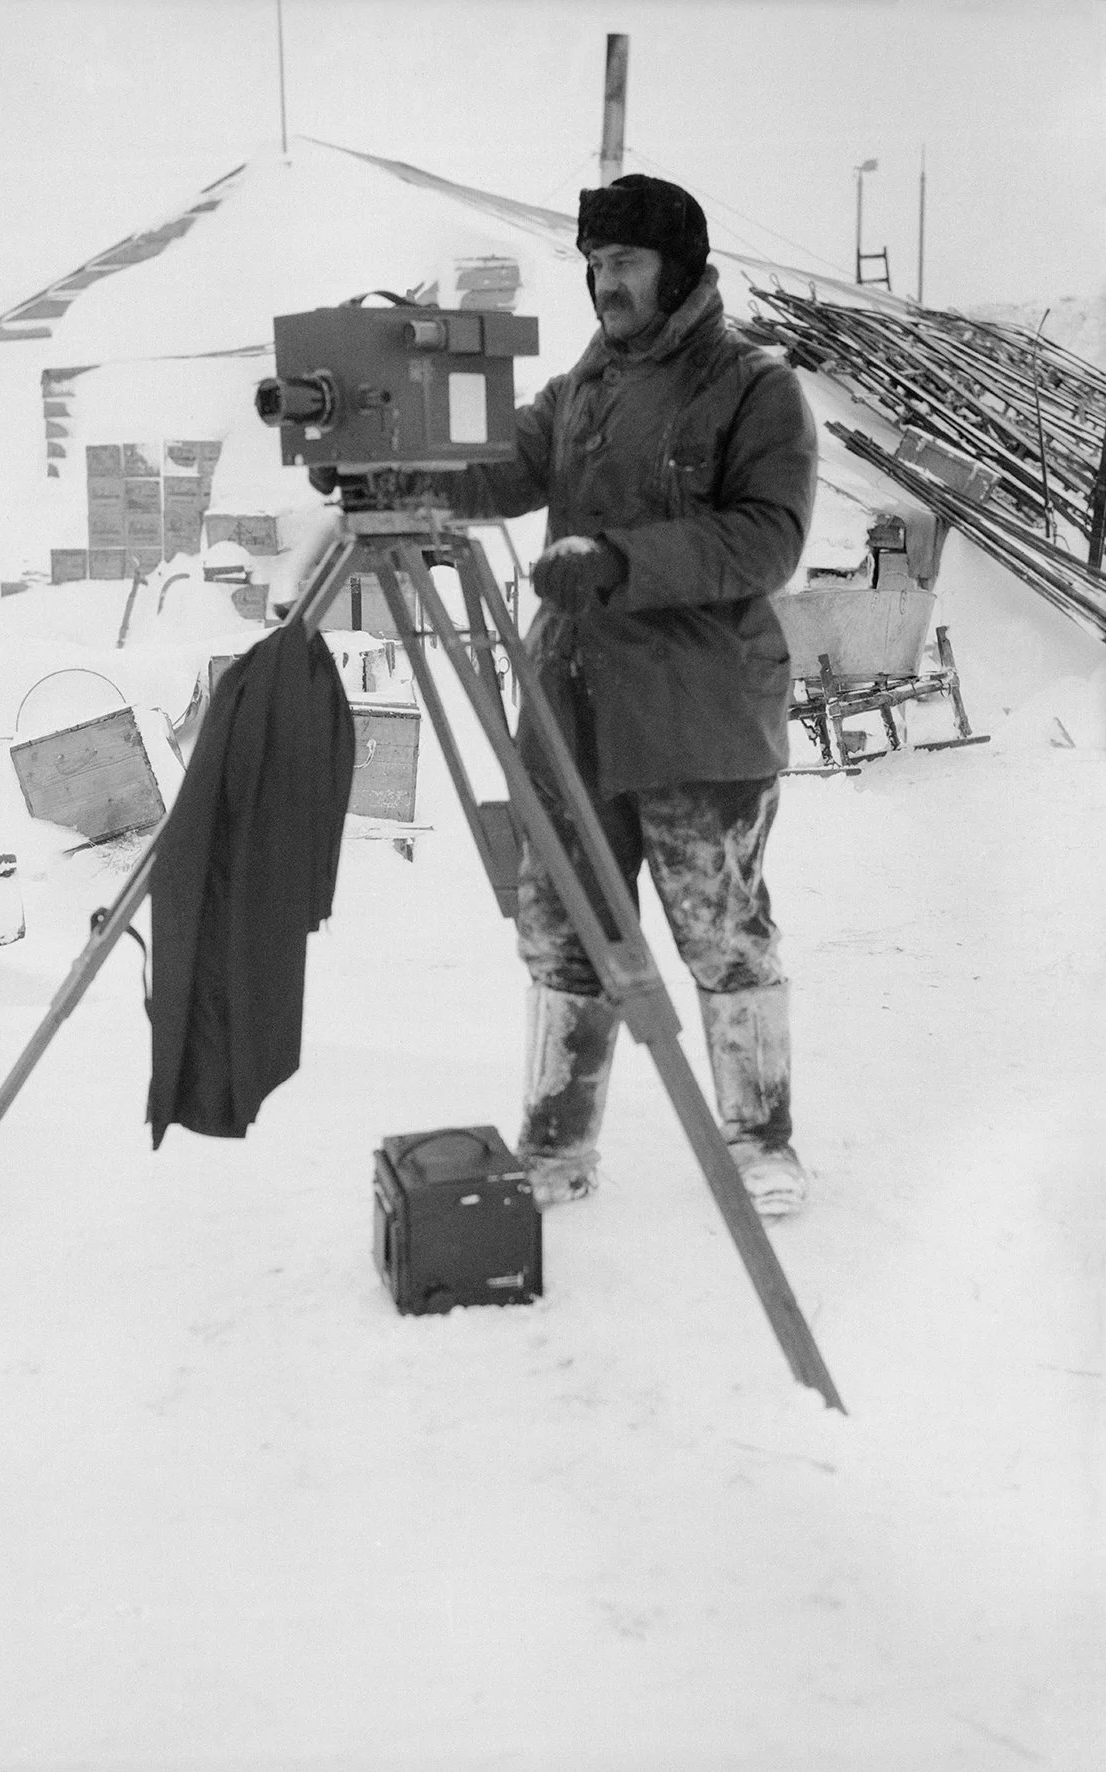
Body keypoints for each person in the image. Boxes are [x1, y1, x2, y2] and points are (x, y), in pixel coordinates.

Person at [314, 174, 818, 1218]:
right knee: (560, 929)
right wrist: (386, 472)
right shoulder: (583, 388)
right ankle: (555, 1146)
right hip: (569, 707)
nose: (605, 282)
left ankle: (759, 1139)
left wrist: (620, 561)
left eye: (624, 262)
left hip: (697, 711)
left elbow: (768, 537)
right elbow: (496, 471)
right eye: (594, 264)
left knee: (721, 933)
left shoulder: (753, 386)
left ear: (678, 265)